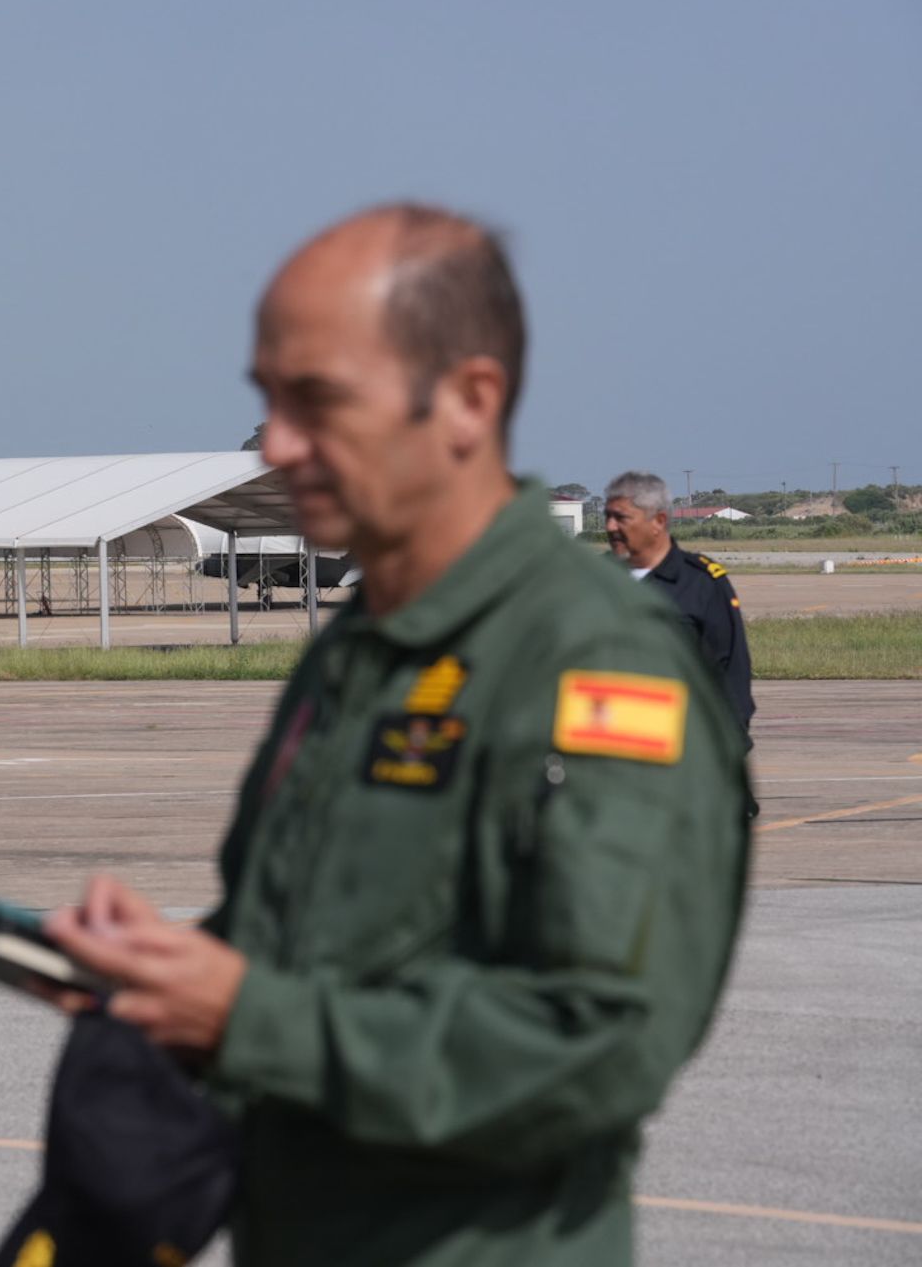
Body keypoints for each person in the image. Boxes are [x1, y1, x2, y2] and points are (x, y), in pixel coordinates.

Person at [41, 203, 750, 1267]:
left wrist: (251, 1021)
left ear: (467, 400)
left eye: (315, 398)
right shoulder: (361, 650)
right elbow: (325, 942)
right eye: (266, 400)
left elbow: (599, 1042)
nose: (274, 443)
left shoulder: (592, 663)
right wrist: (171, 967)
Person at [602, 471, 755, 731]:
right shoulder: (592, 578)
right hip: (604, 747)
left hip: (680, 749)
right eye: (608, 517)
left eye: (621, 518)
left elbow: (732, 676)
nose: (610, 527)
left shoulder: (702, 584)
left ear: (658, 521)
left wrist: (725, 754)